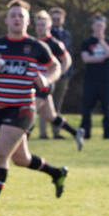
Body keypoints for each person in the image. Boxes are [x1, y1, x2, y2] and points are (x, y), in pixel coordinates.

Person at [0, 0, 68, 216]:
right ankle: (57, 172)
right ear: (6, 20)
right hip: (1, 109)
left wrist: (47, 79)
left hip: (24, 108)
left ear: (27, 21)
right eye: (13, 15)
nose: (16, 19)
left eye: (21, 16)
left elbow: (56, 66)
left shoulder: (35, 47)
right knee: (21, 159)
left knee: (0, 154)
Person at [32, 8, 84, 150]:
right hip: (34, 83)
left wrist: (57, 74)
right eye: (38, 25)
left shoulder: (54, 43)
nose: (40, 28)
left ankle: (20, 138)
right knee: (51, 116)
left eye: (43, 25)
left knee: (31, 110)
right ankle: (76, 132)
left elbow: (67, 59)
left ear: (49, 26)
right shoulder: (33, 43)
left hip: (45, 84)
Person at [79, 15, 109, 140]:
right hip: (90, 80)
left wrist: (102, 42)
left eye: (101, 26)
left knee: (108, 108)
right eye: (97, 25)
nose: (99, 28)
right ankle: (85, 133)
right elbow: (86, 58)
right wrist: (101, 58)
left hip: (107, 80)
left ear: (105, 26)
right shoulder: (87, 42)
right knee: (86, 108)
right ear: (92, 26)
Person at [39, 6, 75, 139]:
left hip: (63, 74)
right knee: (43, 103)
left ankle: (56, 131)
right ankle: (43, 133)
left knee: (56, 104)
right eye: (53, 19)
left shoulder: (66, 34)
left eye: (58, 18)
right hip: (48, 73)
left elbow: (67, 55)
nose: (56, 21)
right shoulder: (48, 36)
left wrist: (62, 71)